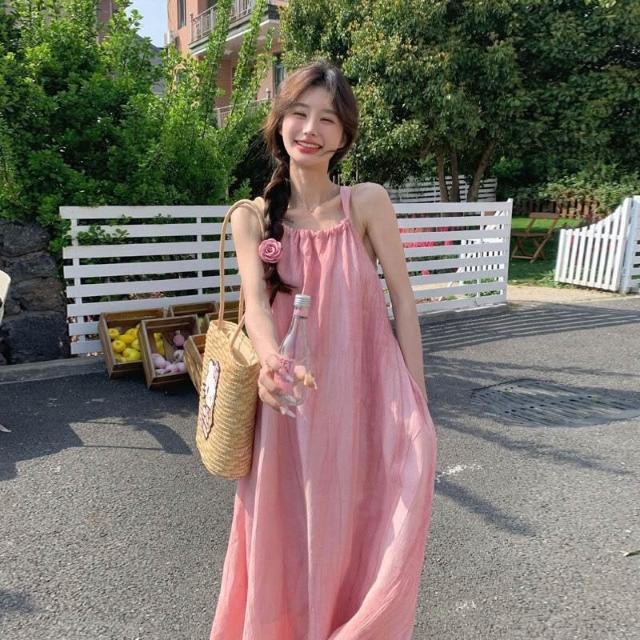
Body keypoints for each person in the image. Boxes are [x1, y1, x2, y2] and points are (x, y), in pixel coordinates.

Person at [210, 60, 437, 640]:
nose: (311, 129)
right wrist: (272, 362)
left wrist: (417, 398)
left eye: (328, 119)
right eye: (299, 113)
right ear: (279, 122)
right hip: (289, 406)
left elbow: (403, 301)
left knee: (376, 523)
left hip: (367, 398)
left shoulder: (367, 203)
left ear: (344, 135)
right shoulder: (252, 217)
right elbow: (255, 306)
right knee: (287, 533)